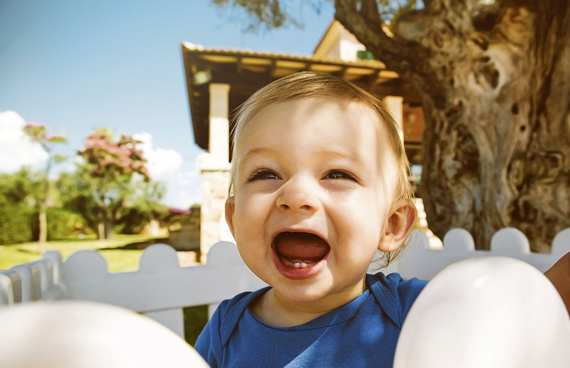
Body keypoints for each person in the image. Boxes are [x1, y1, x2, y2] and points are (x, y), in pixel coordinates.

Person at [195, 71, 570, 367]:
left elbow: (529, 309)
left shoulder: (416, 311)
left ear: (392, 225)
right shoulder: (225, 332)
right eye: (266, 174)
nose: (295, 196)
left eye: (337, 174)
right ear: (232, 216)